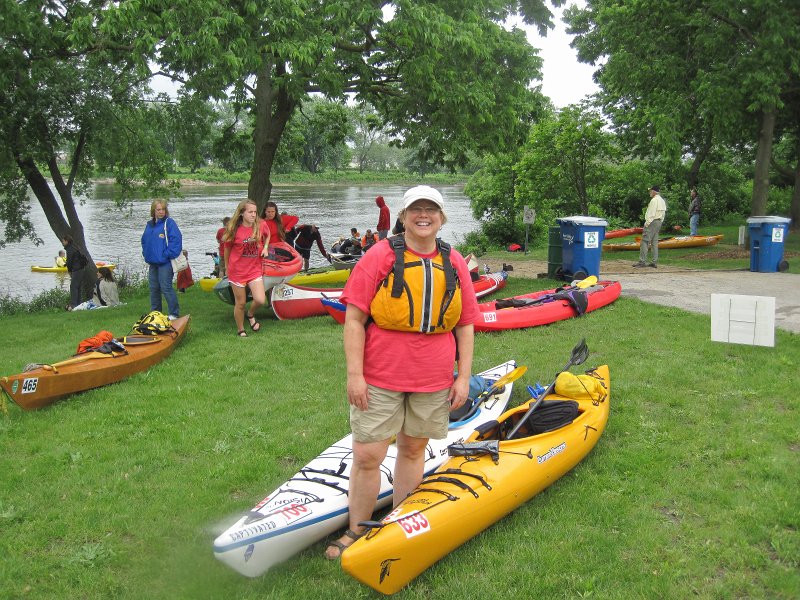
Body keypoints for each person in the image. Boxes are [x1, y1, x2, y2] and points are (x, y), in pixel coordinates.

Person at [324, 185, 478, 560]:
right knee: (367, 455)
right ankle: (356, 530)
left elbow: (466, 324)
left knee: (413, 450)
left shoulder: (454, 261)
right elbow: (355, 320)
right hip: (381, 376)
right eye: (415, 210)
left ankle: (397, 523)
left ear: (441, 218)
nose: (423, 216)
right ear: (404, 216)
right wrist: (355, 375)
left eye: (431, 210)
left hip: (432, 377)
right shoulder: (379, 256)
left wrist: (462, 377)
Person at [223, 199, 270, 337]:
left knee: (260, 299)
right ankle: (240, 329)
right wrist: (227, 267)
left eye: (255, 212)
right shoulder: (234, 229)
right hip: (237, 271)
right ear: (242, 213)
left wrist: (266, 247)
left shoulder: (260, 225)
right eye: (250, 212)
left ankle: (250, 315)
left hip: (254, 269)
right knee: (241, 303)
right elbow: (227, 249)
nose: (253, 215)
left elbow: (267, 236)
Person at [141, 199, 181, 319]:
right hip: (153, 263)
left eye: (163, 209)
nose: (161, 212)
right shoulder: (150, 225)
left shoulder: (169, 223)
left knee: (166, 287)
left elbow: (176, 241)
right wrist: (146, 254)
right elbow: (144, 241)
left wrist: (166, 255)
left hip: (165, 263)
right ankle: (156, 313)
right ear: (153, 210)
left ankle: (174, 313)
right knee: (154, 288)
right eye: (159, 209)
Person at [634, 185, 667, 268]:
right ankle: (654, 262)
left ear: (653, 191)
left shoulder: (654, 200)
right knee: (654, 242)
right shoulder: (662, 201)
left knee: (644, 241)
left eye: (650, 191)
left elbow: (651, 213)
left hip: (652, 222)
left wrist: (647, 223)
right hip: (659, 222)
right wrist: (660, 221)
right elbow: (663, 213)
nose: (649, 192)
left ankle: (642, 261)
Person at [61, 234, 89, 310]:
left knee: (73, 287)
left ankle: (74, 305)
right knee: (78, 287)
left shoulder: (69, 249)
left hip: (77, 270)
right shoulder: (75, 246)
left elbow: (69, 262)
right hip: (81, 269)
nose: (62, 242)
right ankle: (79, 304)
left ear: (67, 241)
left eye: (63, 241)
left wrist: (70, 271)